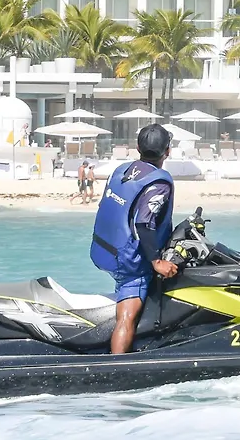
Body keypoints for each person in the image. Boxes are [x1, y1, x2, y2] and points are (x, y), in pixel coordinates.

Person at [90, 124, 180, 355]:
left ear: (137, 147)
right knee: (127, 317)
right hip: (129, 263)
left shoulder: (121, 170)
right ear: (167, 151)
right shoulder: (159, 182)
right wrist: (156, 262)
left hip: (103, 249)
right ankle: (116, 367)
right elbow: (143, 223)